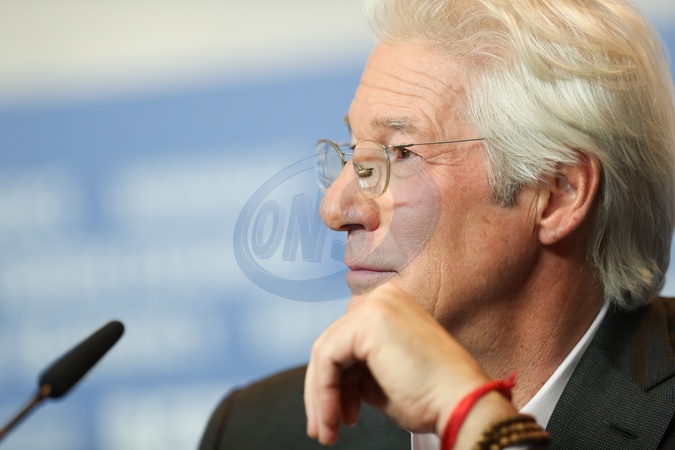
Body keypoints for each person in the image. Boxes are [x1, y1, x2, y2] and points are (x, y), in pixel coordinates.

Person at [200, 0, 675, 448]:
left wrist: (475, 420)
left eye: (399, 153)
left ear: (557, 193)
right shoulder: (257, 430)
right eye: (353, 153)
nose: (334, 210)